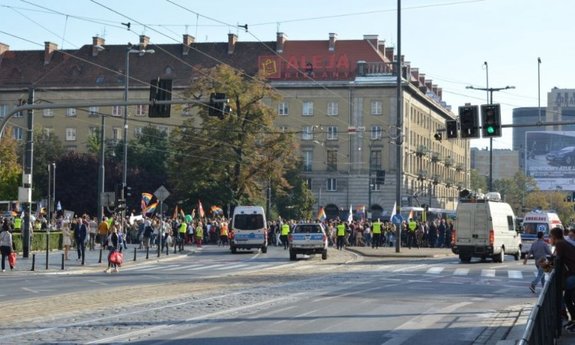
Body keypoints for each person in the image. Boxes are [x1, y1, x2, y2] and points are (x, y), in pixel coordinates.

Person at [548, 227, 575, 332]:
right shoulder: (563, 243)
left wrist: (547, 266)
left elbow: (557, 260)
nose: (549, 239)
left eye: (550, 236)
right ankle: (572, 319)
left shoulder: (560, 244)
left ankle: (564, 317)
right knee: (567, 299)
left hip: (572, 275)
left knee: (564, 297)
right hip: (571, 274)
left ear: (554, 237)